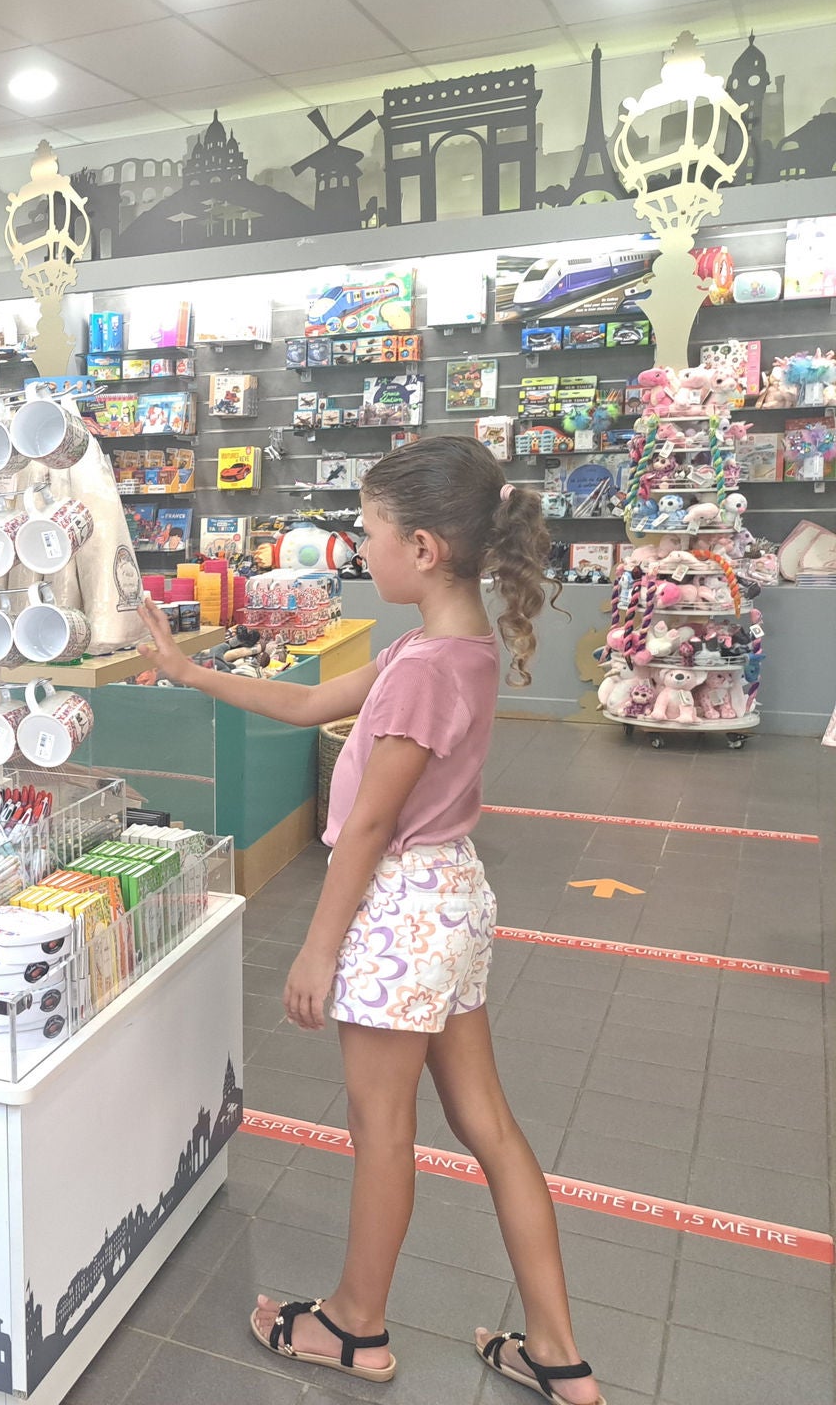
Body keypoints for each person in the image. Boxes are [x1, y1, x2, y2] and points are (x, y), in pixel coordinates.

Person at [135, 436, 598, 1404]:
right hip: (447, 901)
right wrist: (187, 672)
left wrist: (315, 945)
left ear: (422, 547)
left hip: (397, 913)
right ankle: (556, 1352)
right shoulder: (442, 647)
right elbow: (307, 701)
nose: (356, 543)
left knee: (380, 1127)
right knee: (489, 1128)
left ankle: (354, 1326)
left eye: (370, 529)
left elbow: (371, 824)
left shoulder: (425, 669)